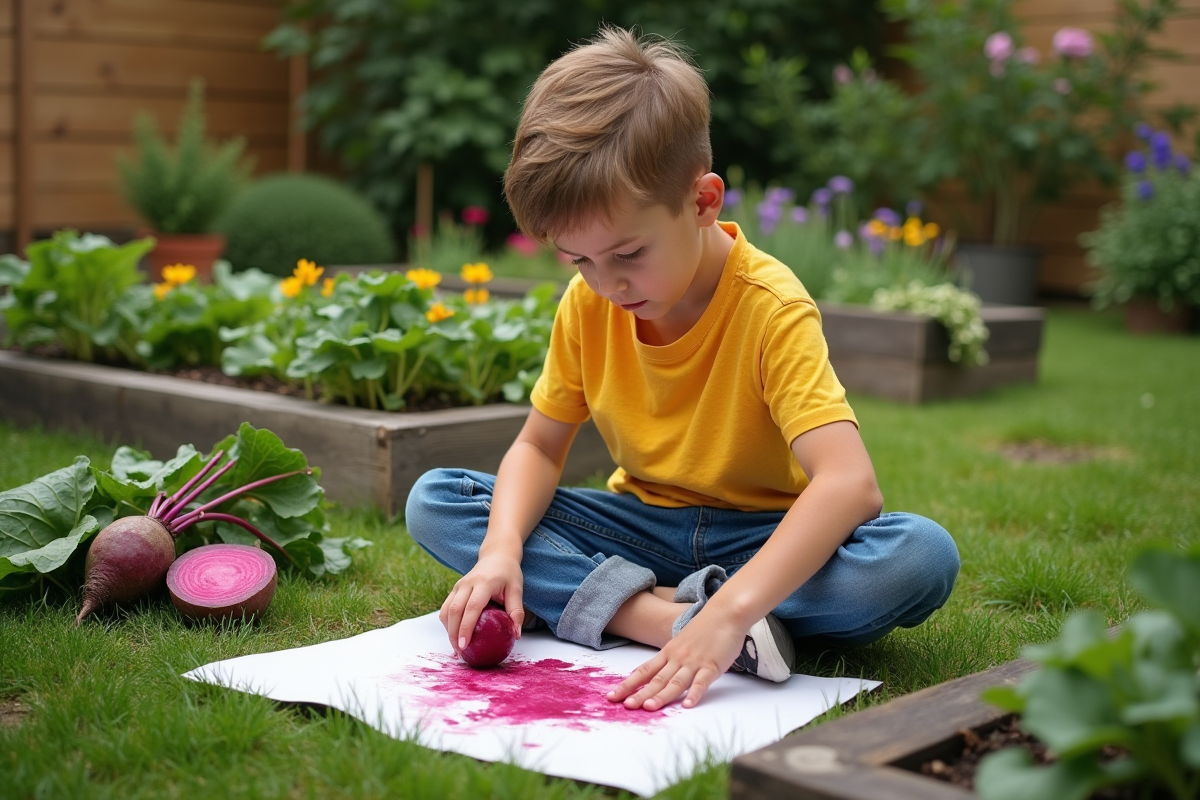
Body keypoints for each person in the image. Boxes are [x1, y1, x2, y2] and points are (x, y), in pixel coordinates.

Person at [405, 26, 960, 712]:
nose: (605, 283)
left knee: (917, 558)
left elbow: (849, 485)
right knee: (439, 499)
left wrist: (730, 613)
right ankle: (660, 618)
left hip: (761, 533)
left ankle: (702, 609)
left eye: (628, 253)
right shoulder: (588, 303)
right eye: (580, 260)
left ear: (702, 202)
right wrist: (499, 555)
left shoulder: (770, 306)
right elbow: (538, 448)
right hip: (639, 525)